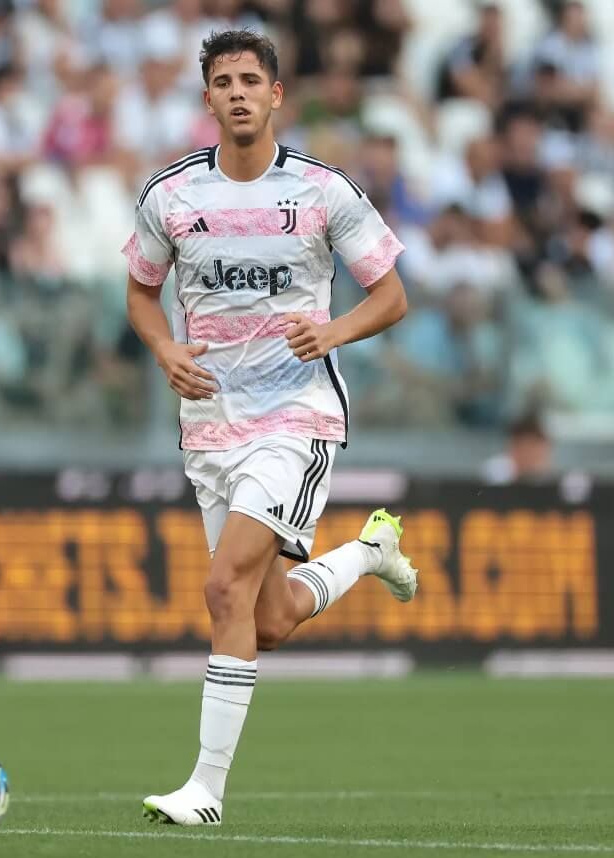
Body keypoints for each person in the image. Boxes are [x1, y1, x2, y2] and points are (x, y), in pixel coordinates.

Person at [123, 29, 418, 826]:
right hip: (209, 422)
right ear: (208, 99)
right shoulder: (170, 196)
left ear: (277, 94)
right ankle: (368, 552)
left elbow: (391, 297)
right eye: (223, 81)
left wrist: (332, 332)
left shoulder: (323, 191)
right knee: (268, 618)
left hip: (295, 415)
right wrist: (161, 351)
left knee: (222, 587)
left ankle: (205, 791)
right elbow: (141, 295)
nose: (239, 92)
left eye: (251, 79)